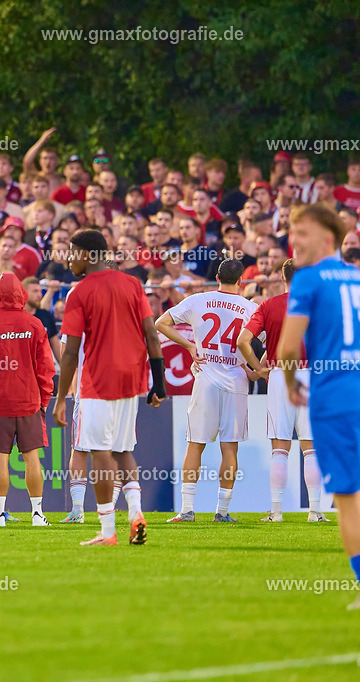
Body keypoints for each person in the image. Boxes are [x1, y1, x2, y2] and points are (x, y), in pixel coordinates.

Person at [53, 229, 166, 546]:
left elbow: (72, 352)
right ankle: (135, 513)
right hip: (133, 379)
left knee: (100, 452)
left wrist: (61, 397)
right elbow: (152, 335)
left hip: (99, 381)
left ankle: (107, 531)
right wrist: (159, 384)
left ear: (88, 256)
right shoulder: (132, 284)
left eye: (72, 252)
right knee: (123, 449)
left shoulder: (79, 293)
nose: (69, 259)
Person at [275, 204, 360, 609]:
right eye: (292, 232)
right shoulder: (357, 277)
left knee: (348, 497)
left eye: (303, 233)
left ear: (329, 238)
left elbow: (288, 348)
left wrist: (292, 383)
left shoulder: (307, 280)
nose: (296, 241)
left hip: (336, 400)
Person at [155, 259, 259, 523]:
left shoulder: (198, 300)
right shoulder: (250, 308)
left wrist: (190, 345)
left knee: (195, 445)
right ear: (241, 281)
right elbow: (261, 341)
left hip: (206, 376)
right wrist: (254, 368)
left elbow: (161, 323)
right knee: (230, 448)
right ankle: (222, 511)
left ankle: (187, 510)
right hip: (236, 379)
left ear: (216, 276)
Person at [237, 259, 326, 523]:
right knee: (311, 448)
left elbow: (243, 341)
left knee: (280, 446)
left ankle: (276, 511)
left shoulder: (268, 306)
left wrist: (258, 367)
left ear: (282, 278)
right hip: (312, 374)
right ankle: (315, 511)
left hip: (279, 374)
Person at [0, 272, 55, 527]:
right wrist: (44, 398)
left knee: (0, 459)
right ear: (22, 294)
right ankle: (37, 514)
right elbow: (46, 366)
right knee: (32, 458)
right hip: (29, 400)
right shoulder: (34, 324)